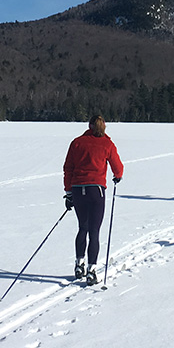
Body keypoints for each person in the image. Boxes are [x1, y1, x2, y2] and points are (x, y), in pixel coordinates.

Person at [63, 114, 124, 285]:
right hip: (96, 190)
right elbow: (117, 166)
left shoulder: (77, 142)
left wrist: (68, 192)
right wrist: (117, 176)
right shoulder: (107, 143)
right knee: (94, 231)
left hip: (77, 189)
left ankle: (79, 264)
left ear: (89, 126)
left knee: (83, 227)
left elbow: (68, 167)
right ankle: (91, 270)